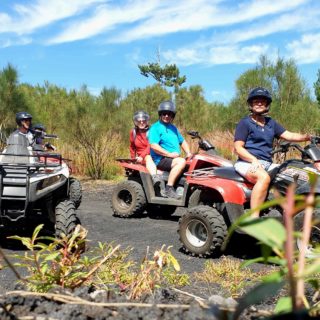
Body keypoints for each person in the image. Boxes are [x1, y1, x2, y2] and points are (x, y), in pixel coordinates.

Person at [234, 87, 311, 218]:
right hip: (247, 162)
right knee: (263, 178)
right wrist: (253, 160)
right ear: (251, 104)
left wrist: (306, 137)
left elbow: (289, 135)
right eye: (256, 101)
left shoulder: (271, 123)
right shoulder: (245, 123)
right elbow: (238, 147)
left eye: (262, 101)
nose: (259, 103)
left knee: (294, 172)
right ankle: (254, 217)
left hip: (267, 163)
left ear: (267, 104)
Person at [149, 100, 192, 199]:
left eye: (169, 114)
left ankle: (181, 187)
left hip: (172, 158)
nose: (167, 116)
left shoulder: (173, 128)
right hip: (161, 159)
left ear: (172, 116)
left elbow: (182, 141)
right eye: (164, 114)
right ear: (160, 114)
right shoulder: (155, 128)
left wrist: (188, 153)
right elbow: (154, 146)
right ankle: (169, 188)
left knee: (193, 163)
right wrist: (169, 154)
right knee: (181, 162)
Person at [130, 111, 160, 184]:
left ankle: (155, 177)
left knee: (148, 157)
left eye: (144, 121)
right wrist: (133, 159)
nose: (141, 122)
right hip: (140, 158)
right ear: (136, 122)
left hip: (152, 155)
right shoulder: (133, 132)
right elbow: (132, 147)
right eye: (139, 121)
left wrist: (142, 156)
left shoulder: (151, 131)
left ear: (147, 121)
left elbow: (150, 145)